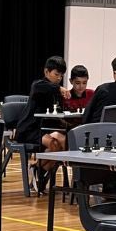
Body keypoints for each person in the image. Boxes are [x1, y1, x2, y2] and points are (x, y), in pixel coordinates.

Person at [14, 56, 70, 187]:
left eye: (61, 76)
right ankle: (38, 171)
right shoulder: (38, 85)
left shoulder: (55, 91)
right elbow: (44, 87)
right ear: (46, 72)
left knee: (65, 143)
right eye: (56, 74)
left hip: (45, 130)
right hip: (29, 130)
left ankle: (37, 170)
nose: (58, 78)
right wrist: (59, 88)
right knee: (54, 145)